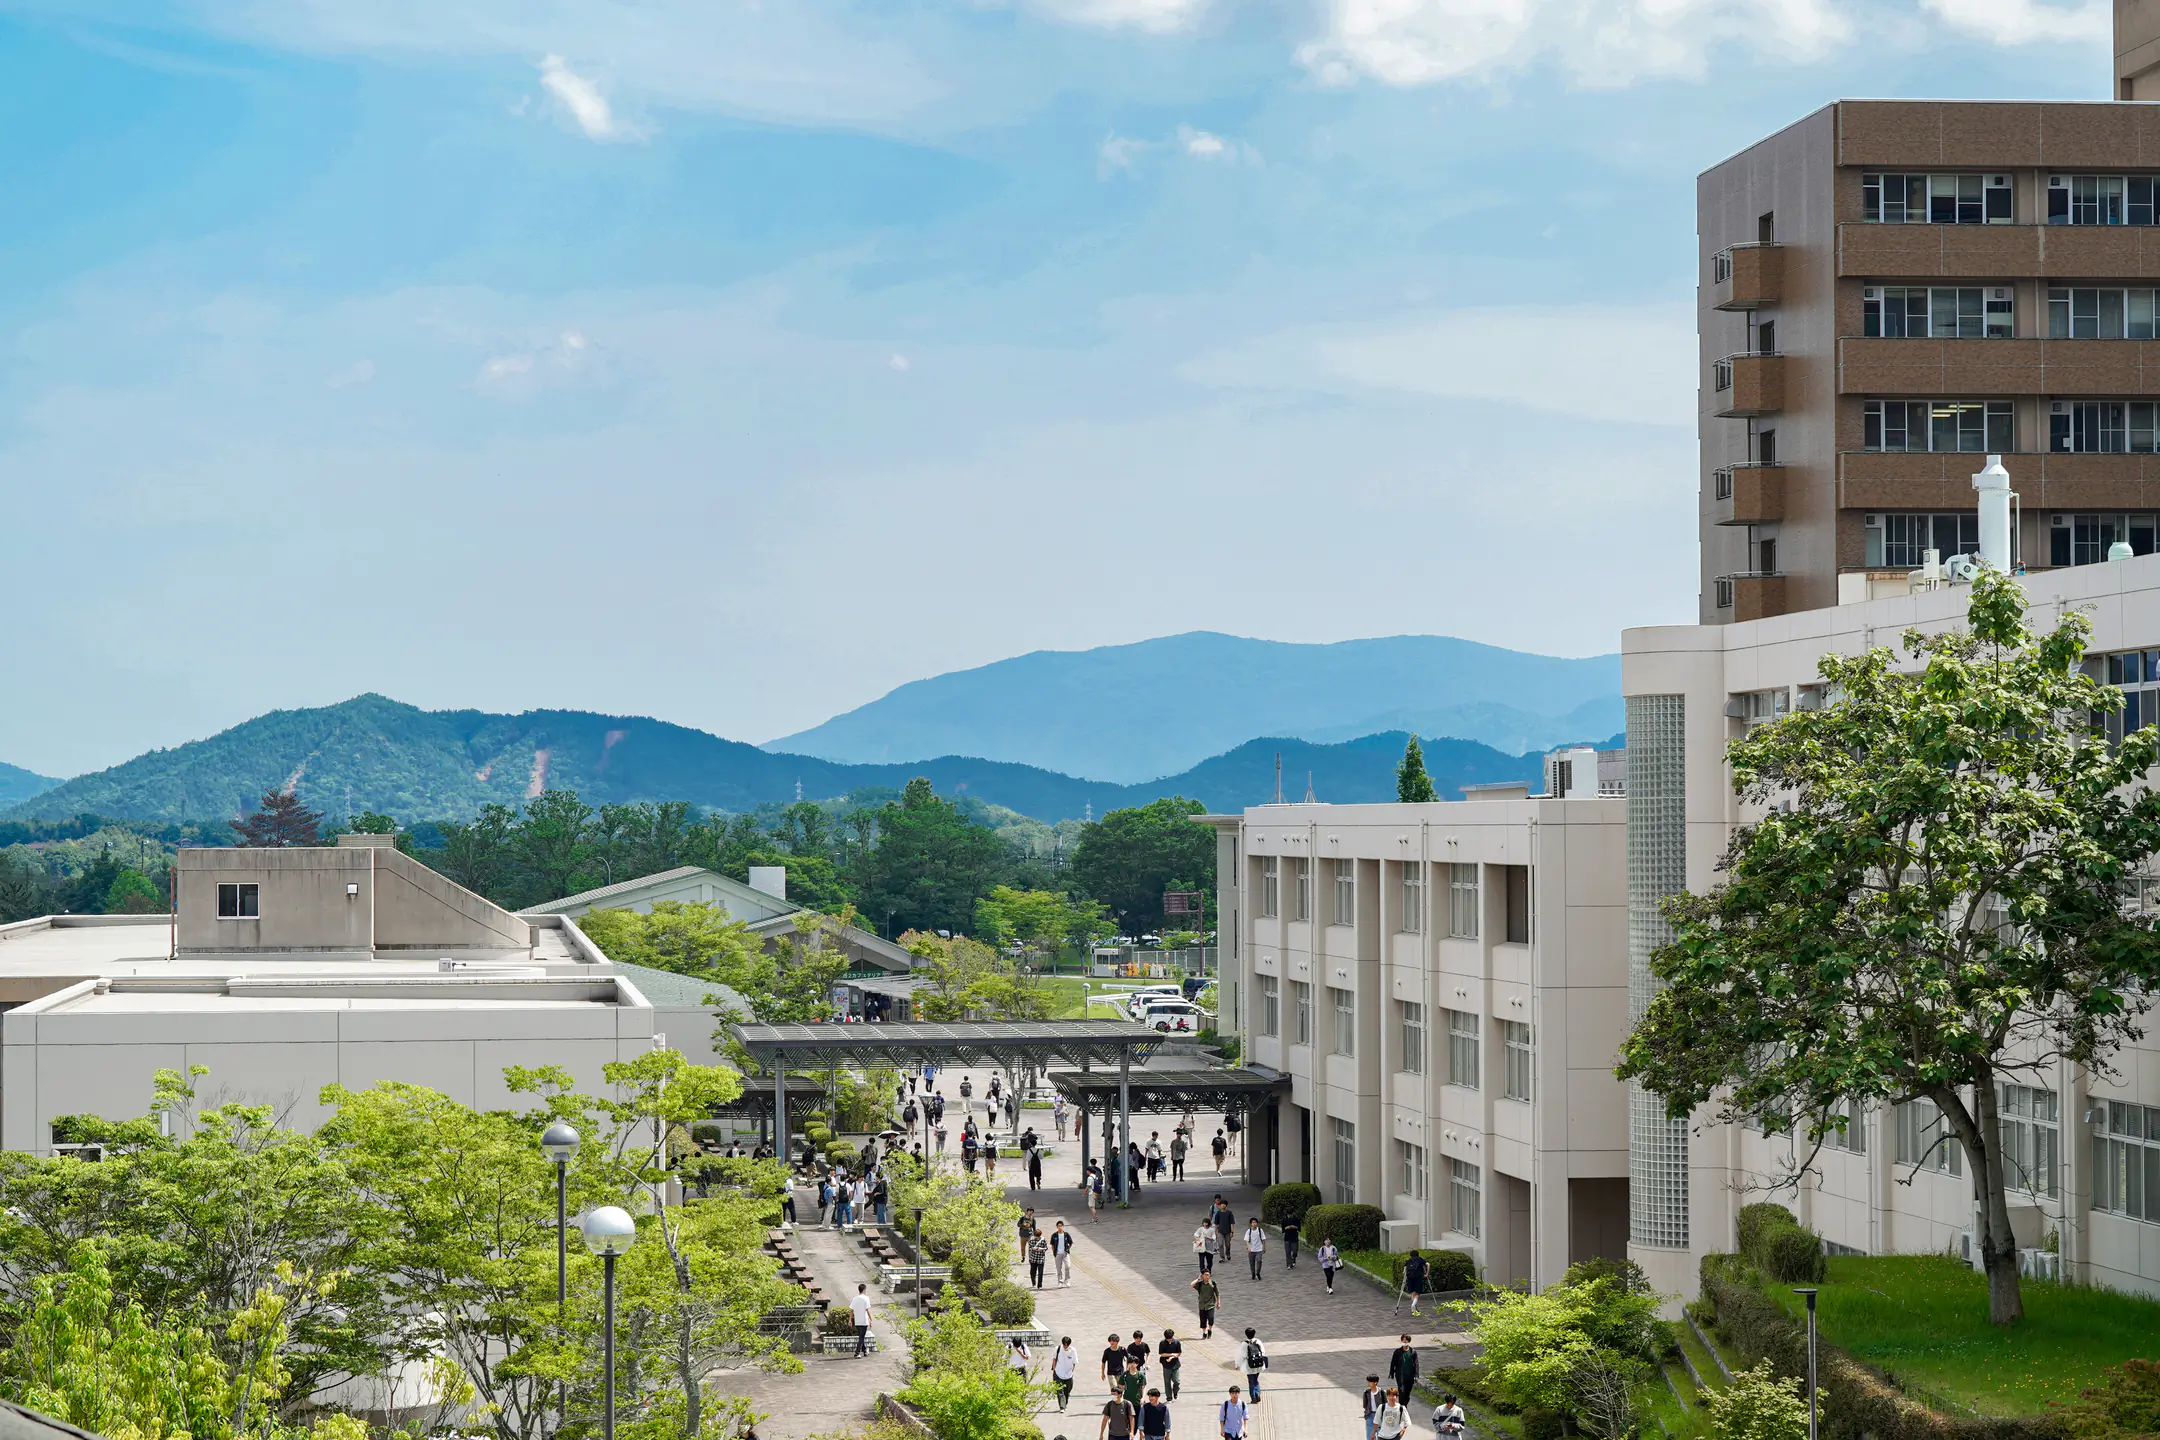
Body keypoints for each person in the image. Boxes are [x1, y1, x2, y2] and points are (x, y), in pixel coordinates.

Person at [1389, 1336, 1420, 1407]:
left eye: (1406, 1341)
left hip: (1410, 1376)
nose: (1404, 1342)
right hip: (1400, 1376)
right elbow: (1393, 1362)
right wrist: (1391, 1372)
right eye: (1403, 1341)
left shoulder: (1413, 1352)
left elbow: (1416, 1364)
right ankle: (1402, 1407)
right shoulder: (1397, 1352)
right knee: (1401, 1391)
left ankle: (1404, 1404)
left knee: (1407, 1393)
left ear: (1409, 1341)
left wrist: (1416, 1376)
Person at [1051, 1336, 1080, 1411]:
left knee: (1067, 1390)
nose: (1065, 1346)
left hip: (1068, 1374)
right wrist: (1054, 1370)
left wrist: (1071, 1371)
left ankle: (1064, 1404)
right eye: (1064, 1345)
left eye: (1067, 1345)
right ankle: (1062, 1407)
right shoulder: (1057, 1349)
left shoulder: (1073, 1351)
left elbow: (1074, 1363)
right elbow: (1054, 1359)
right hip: (1058, 1373)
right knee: (1060, 1391)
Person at [1190, 1271, 1219, 1339]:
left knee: (1211, 1318)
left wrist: (1218, 1302)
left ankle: (1210, 1330)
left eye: (1208, 1275)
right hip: (1202, 1305)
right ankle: (1204, 1333)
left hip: (1210, 1304)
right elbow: (1192, 1284)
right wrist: (1198, 1279)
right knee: (1203, 1320)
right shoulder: (1200, 1284)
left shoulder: (1213, 1283)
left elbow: (1217, 1293)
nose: (1207, 1276)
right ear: (1202, 1276)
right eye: (1205, 1275)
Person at [1241, 1328, 1268, 1403]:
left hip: (1249, 1365)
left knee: (1251, 1381)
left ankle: (1254, 1397)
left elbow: (1243, 1355)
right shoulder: (1258, 1341)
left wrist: (1238, 1364)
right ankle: (1257, 1393)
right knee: (1255, 1379)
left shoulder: (1244, 1343)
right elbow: (1263, 1352)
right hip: (1259, 1364)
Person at [849, 1283, 875, 1358]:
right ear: (864, 1290)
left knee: (861, 1337)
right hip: (864, 1321)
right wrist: (871, 1319)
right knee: (861, 1337)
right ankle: (857, 1353)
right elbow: (867, 1309)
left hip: (857, 1321)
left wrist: (850, 1320)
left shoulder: (855, 1299)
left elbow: (851, 1310)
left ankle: (865, 1351)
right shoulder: (866, 1298)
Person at [1402, 1251, 1431, 1315]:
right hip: (1418, 1277)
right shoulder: (1420, 1259)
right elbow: (1428, 1264)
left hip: (1410, 1278)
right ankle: (1413, 1305)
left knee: (1412, 1293)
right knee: (1418, 1292)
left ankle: (1414, 1310)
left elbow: (1404, 1271)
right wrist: (1427, 1274)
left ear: (1410, 1255)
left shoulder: (1408, 1261)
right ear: (1418, 1255)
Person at [1158, 1329, 1183, 1401]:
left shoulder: (1177, 1342)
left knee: (1177, 1381)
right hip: (1166, 1364)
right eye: (1167, 1339)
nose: (1169, 1340)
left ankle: (1175, 1391)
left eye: (1170, 1339)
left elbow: (1179, 1353)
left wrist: (1172, 1357)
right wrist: (1171, 1354)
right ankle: (1169, 1396)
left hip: (1175, 1364)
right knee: (1167, 1381)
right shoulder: (1162, 1343)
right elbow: (1161, 1354)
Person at [1050, 1221, 1075, 1285]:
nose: (1060, 1227)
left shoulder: (1066, 1234)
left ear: (1063, 1226)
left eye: (1061, 1226)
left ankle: (1066, 1279)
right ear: (1057, 1227)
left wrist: (1067, 1249)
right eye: (1059, 1226)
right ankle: (1060, 1281)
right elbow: (1052, 1245)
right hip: (1058, 1254)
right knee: (1058, 1268)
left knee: (1068, 1266)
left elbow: (1071, 1243)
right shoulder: (1054, 1235)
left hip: (1065, 1253)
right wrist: (1054, 1253)